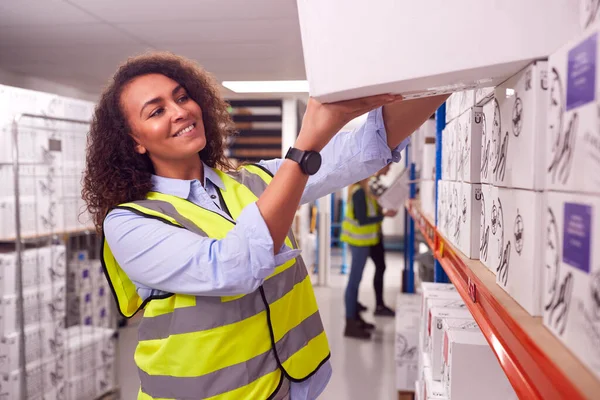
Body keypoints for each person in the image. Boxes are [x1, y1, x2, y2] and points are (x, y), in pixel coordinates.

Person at [83, 51, 448, 400]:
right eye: (157, 110)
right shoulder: (129, 223)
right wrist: (307, 143)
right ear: (135, 142)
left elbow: (364, 149)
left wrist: (454, 74)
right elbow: (233, 266)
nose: (180, 112)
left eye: (181, 97)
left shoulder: (254, 181)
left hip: (288, 383)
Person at [340, 166, 397, 340]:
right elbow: (363, 220)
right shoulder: (358, 192)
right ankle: (350, 324)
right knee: (353, 283)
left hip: (363, 243)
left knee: (355, 282)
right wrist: (384, 215)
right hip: (359, 243)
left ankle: (356, 319)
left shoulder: (365, 191)